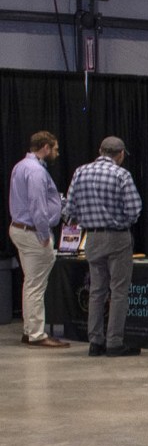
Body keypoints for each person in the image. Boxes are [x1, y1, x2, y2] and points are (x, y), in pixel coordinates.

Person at [66, 136, 143, 357]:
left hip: (92, 237)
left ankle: (95, 341)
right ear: (120, 155)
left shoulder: (80, 172)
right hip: (117, 237)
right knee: (119, 290)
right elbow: (134, 208)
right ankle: (114, 342)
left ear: (100, 150)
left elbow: (69, 209)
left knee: (96, 290)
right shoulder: (121, 174)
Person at [9, 131, 68, 348]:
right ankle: (36, 334)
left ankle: (30, 330)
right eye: (55, 148)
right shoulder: (35, 171)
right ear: (45, 147)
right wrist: (44, 234)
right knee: (36, 284)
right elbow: (37, 205)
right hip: (33, 232)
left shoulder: (21, 166)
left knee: (30, 283)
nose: (57, 153)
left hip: (20, 229)